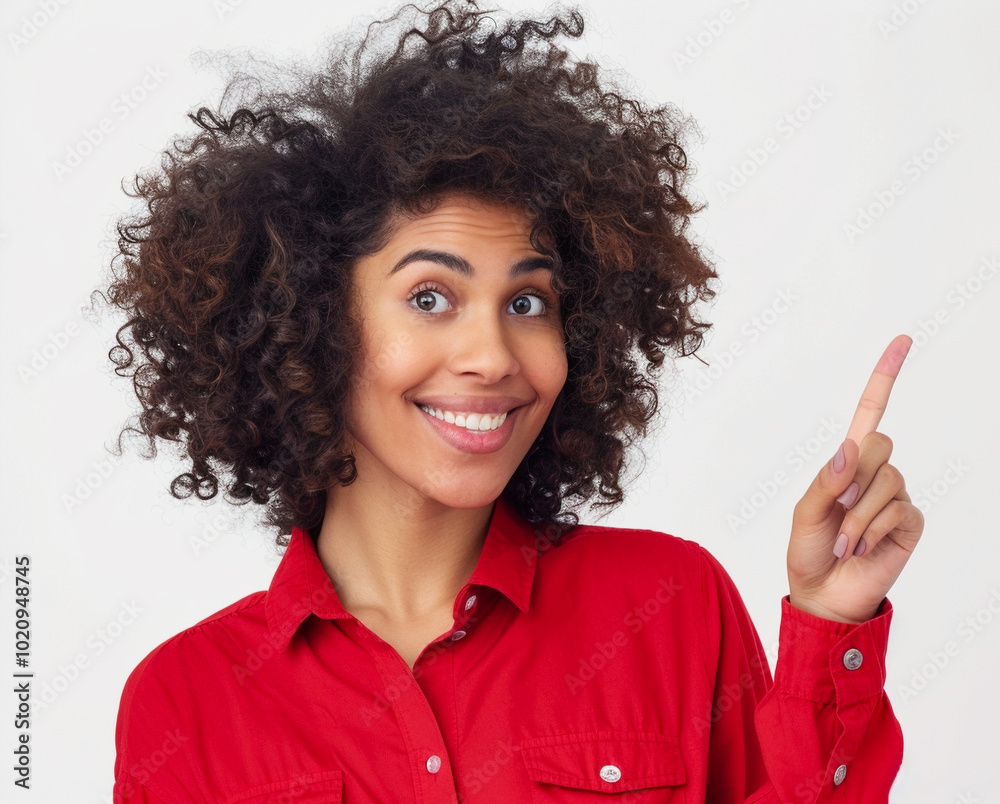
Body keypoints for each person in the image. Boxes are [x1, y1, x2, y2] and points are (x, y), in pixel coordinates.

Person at [105, 2, 923, 801]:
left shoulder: (670, 606)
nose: (494, 357)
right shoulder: (185, 705)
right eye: (430, 297)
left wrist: (830, 623)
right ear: (310, 322)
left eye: (528, 302)